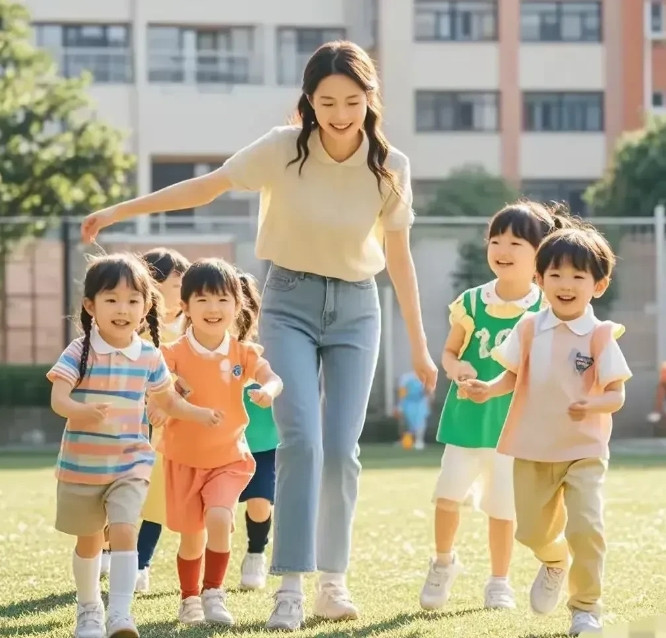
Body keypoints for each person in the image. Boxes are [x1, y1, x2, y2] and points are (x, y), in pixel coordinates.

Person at [80, 40, 437, 630]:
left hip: (357, 306)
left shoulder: (389, 165)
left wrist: (420, 345)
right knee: (301, 440)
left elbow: (398, 256)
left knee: (343, 452)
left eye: (352, 100)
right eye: (327, 102)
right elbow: (207, 186)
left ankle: (333, 583)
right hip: (290, 300)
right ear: (310, 101)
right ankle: (290, 587)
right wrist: (120, 212)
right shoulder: (281, 150)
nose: (340, 113)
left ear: (369, 100)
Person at [464, 226, 632, 636]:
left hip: (584, 448)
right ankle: (555, 561)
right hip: (533, 447)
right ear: (539, 280)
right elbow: (512, 375)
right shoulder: (527, 328)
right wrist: (488, 389)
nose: (566, 284)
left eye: (578, 276)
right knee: (532, 533)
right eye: (555, 274)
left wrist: (592, 403)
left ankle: (586, 609)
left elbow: (616, 395)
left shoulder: (600, 335)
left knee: (586, 526)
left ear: (599, 284)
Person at [47, 253, 220, 638]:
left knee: (125, 529)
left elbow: (168, 400)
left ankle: (120, 614)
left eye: (132, 300)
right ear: (90, 306)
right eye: (111, 300)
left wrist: (198, 414)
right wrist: (81, 410)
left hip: (131, 462)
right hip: (83, 466)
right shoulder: (79, 352)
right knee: (90, 541)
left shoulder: (149, 355)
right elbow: (59, 400)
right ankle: (89, 607)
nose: (122, 309)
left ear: (146, 308)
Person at [420, 202, 569, 611]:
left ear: (539, 251)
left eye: (516, 242)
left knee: (503, 511)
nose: (502, 248)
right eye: (495, 240)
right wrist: (455, 368)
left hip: (514, 432)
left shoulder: (545, 309)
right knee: (448, 497)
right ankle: (443, 563)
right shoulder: (469, 302)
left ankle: (499, 582)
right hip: (466, 423)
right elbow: (448, 353)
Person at [146, 258, 282, 627]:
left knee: (220, 517)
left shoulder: (243, 353)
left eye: (223, 299)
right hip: (183, 459)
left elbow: (271, 376)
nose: (213, 308)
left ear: (237, 306)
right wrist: (163, 397)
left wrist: (268, 391)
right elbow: (154, 383)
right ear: (185, 307)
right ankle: (189, 598)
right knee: (191, 540)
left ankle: (213, 592)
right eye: (202, 300)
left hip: (229, 458)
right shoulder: (171, 354)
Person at [100, 247, 191, 588]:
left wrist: (170, 401)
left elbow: (192, 383)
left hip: (165, 436)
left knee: (157, 499)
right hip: (121, 431)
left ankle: (141, 562)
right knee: (113, 492)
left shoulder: (188, 335)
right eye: (178, 283)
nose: (184, 292)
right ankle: (108, 551)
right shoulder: (128, 333)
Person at [237, 382, 279, 590]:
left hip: (266, 443)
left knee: (260, 503)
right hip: (225, 439)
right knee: (215, 511)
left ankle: (255, 553)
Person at [396, 370, 431, 450]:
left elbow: (428, 392)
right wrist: (400, 406)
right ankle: (406, 441)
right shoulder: (406, 377)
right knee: (407, 423)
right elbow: (402, 392)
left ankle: (419, 441)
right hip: (408, 403)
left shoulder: (425, 377)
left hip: (420, 404)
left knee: (420, 423)